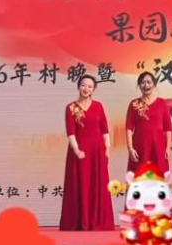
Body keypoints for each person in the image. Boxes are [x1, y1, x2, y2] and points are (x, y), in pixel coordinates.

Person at [59, 75, 114, 231]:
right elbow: (71, 133)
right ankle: (80, 221)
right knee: (81, 185)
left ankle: (97, 221)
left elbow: (105, 130)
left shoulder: (98, 106)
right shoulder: (71, 108)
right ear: (78, 86)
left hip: (97, 152)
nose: (86, 89)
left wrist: (107, 148)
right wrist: (77, 150)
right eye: (84, 85)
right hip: (79, 152)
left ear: (93, 89)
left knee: (97, 185)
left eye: (90, 86)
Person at [125, 71, 172, 174]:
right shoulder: (134, 104)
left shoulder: (162, 103)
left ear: (154, 84)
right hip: (140, 146)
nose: (146, 85)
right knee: (140, 174)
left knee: (159, 175)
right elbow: (129, 128)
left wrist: (168, 148)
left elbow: (168, 128)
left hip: (158, 147)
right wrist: (130, 148)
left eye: (148, 82)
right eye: (142, 82)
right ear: (139, 85)